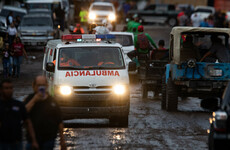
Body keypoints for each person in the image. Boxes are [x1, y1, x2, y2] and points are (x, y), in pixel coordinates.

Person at [24, 75, 66, 150]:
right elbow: (23, 113)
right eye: (39, 85)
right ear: (34, 86)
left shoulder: (52, 101)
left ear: (47, 86)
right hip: (32, 140)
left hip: (48, 140)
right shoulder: (29, 98)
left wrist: (62, 140)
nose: (41, 87)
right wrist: (34, 100)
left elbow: (59, 120)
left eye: (43, 85)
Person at [0, 79, 39, 150]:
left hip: (16, 142)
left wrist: (33, 140)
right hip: (2, 142)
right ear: (1, 90)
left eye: (11, 88)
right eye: (6, 88)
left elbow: (28, 122)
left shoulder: (18, 105)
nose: (9, 90)